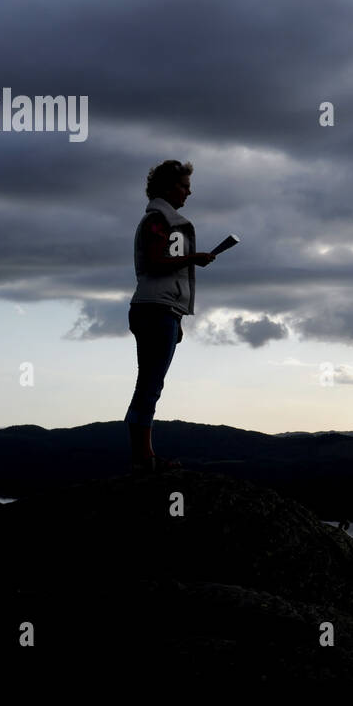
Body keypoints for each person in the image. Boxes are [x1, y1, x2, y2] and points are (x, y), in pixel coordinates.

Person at [124, 160, 215, 472]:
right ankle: (144, 458)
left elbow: (162, 262)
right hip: (156, 310)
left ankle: (144, 456)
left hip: (160, 310)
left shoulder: (161, 219)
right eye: (183, 186)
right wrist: (194, 258)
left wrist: (175, 316)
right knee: (150, 385)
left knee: (150, 384)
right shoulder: (159, 220)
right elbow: (156, 261)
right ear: (166, 187)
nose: (188, 192)